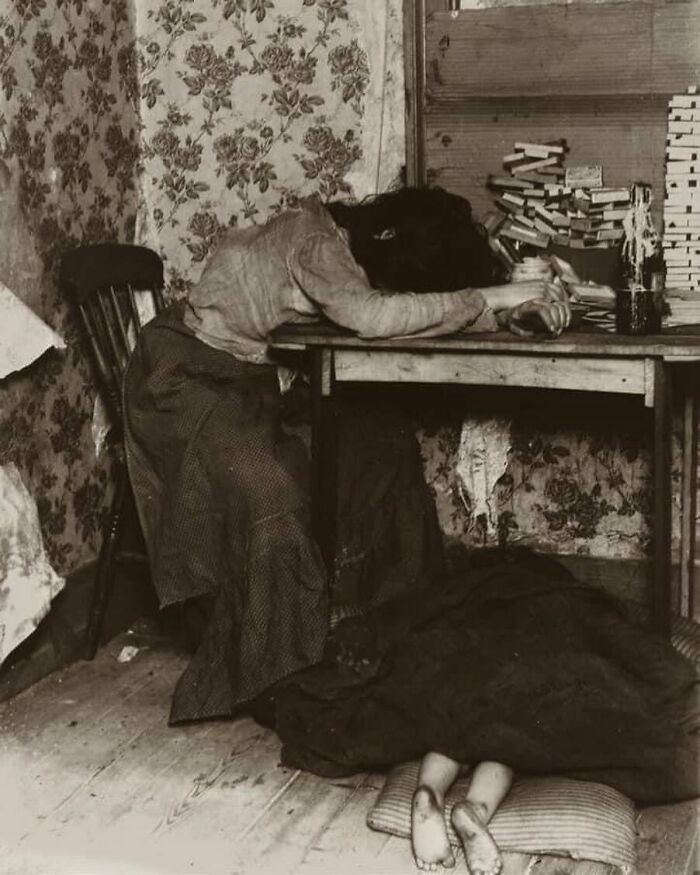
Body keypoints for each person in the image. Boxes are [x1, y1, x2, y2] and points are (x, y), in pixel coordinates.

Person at [123, 186, 572, 728]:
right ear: (387, 242)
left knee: (379, 439)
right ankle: (276, 671)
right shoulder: (316, 243)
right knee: (272, 494)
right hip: (182, 379)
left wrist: (506, 312)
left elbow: (397, 312)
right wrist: (491, 299)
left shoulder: (341, 241)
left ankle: (385, 621)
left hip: (249, 377)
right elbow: (374, 317)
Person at [257, 549, 699, 874]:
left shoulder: (476, 586)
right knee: (509, 731)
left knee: (461, 716)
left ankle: (426, 792)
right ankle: (473, 811)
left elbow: (415, 612)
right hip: (530, 676)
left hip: (469, 671)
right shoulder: (570, 592)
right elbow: (622, 637)